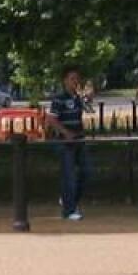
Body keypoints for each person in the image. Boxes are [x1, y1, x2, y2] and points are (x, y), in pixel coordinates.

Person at [46, 66, 89, 220]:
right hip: (65, 142)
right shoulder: (59, 98)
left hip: (79, 139)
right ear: (65, 81)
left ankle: (69, 200)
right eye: (72, 79)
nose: (75, 82)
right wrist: (65, 133)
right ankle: (69, 210)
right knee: (69, 174)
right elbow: (51, 119)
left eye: (77, 78)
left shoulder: (77, 98)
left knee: (86, 172)